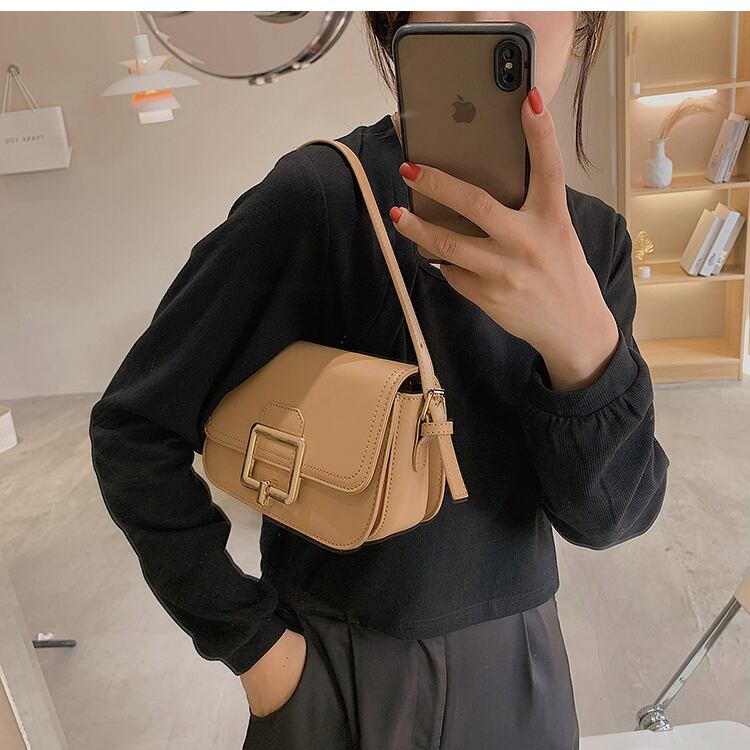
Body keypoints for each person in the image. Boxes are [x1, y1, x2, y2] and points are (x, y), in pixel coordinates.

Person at [89, 10, 670, 750]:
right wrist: (255, 648)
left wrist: (583, 344)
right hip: (338, 668)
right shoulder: (318, 198)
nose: (481, 10)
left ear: (586, 20)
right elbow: (134, 429)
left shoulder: (597, 241)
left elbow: (608, 520)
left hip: (521, 663)